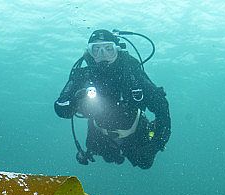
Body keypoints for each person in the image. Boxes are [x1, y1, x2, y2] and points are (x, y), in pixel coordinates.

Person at [54, 29, 171, 169]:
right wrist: (77, 102)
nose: (102, 55)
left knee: (144, 163)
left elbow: (161, 106)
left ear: (117, 49)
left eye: (108, 49)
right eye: (96, 50)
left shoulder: (132, 72)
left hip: (135, 131)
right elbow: (61, 108)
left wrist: (157, 143)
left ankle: (150, 129)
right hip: (99, 133)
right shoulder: (83, 75)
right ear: (89, 53)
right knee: (108, 158)